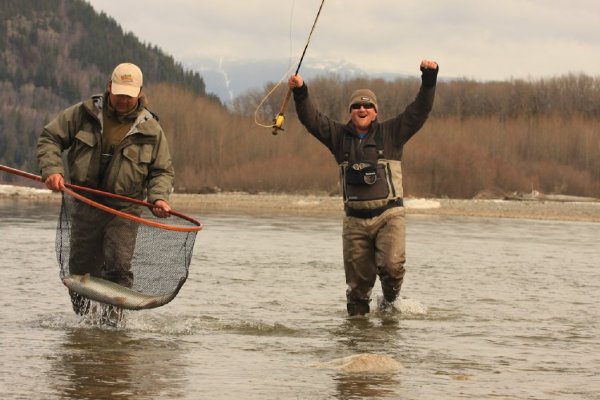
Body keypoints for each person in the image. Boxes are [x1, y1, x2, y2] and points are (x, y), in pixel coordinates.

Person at [288, 60, 439, 316]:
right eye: (356, 105)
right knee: (357, 292)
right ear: (350, 111)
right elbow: (311, 120)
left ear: (375, 111)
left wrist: (429, 78)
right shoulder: (338, 137)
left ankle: (390, 302)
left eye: (367, 105)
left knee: (392, 268)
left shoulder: (393, 133)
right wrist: (301, 92)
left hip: (389, 217)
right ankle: (357, 339)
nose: (362, 108)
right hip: (354, 222)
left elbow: (420, 111)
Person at [37, 62, 174, 321]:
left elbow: (162, 171)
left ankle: (113, 327)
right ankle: (87, 326)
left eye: (129, 96)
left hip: (124, 208)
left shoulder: (151, 129)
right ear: (109, 87)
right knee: (79, 272)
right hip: (85, 203)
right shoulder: (82, 114)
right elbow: (49, 138)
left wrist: (158, 198)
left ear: (139, 93)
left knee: (119, 268)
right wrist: (52, 170)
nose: (123, 100)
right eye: (119, 93)